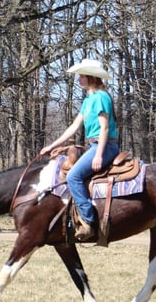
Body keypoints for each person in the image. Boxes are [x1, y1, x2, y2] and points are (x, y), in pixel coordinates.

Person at [40, 58, 119, 241]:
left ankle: (89, 221)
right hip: (94, 145)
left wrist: (99, 154)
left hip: (105, 146)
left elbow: (104, 127)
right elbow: (73, 127)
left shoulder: (100, 97)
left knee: (73, 176)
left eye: (81, 76)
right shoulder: (88, 101)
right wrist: (52, 146)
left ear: (91, 77)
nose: (79, 80)